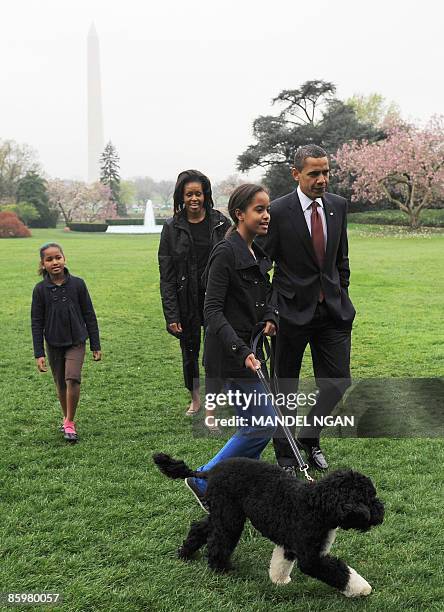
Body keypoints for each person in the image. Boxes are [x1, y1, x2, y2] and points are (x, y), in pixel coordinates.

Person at [184, 183, 280, 512]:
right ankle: (204, 480)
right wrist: (242, 350)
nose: (266, 215)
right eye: (259, 209)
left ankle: (230, 486)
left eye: (267, 209)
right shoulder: (225, 253)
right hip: (230, 355)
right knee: (262, 424)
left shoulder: (256, 252)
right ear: (240, 214)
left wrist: (269, 317)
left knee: (260, 425)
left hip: (248, 351)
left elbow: (260, 299)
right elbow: (211, 312)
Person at [261, 144, 355, 473]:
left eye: (326, 172)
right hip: (289, 313)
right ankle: (287, 459)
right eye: (314, 173)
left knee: (338, 382)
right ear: (296, 173)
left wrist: (340, 289)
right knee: (284, 388)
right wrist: (270, 310)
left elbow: (340, 257)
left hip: (332, 312)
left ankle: (309, 438)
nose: (322, 179)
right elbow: (262, 264)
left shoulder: (338, 206)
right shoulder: (277, 211)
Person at [158, 170, 230, 419]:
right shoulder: (171, 227)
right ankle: (195, 399)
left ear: (206, 195)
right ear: (181, 196)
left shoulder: (221, 223)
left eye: (198, 193)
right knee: (189, 351)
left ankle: (214, 399)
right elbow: (166, 275)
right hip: (185, 299)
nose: (194, 199)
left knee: (217, 352)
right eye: (189, 194)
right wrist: (171, 314)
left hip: (217, 298)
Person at [31, 242, 102, 442]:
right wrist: (39, 353)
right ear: (43, 264)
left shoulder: (78, 284)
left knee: (73, 378)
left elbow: (89, 314)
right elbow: (36, 322)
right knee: (61, 383)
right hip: (53, 343)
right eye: (49, 259)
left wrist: (95, 344)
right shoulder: (40, 290)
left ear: (64, 258)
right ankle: (67, 418)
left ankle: (69, 421)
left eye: (58, 257)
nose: (55, 262)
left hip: (76, 341)